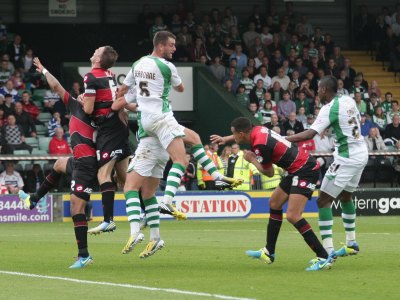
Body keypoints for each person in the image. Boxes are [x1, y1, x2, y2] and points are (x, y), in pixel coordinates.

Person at [118, 31, 242, 218]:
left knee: (194, 138)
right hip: (161, 117)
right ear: (160, 46)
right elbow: (181, 88)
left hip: (146, 121)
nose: (175, 49)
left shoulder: (138, 64)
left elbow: (122, 90)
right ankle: (167, 202)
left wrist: (124, 105)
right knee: (181, 160)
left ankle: (218, 178)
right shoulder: (166, 66)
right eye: (172, 45)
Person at [211, 117, 333, 271]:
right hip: (296, 168)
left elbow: (268, 173)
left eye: (234, 134)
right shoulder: (258, 130)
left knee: (293, 215)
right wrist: (225, 138)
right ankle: (269, 252)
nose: (233, 138)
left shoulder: (260, 145)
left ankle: (323, 257)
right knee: (274, 203)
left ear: (242, 134)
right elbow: (241, 134)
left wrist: (252, 160)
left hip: (305, 170)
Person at [20, 58, 98, 269]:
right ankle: (34, 199)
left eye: (86, 94)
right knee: (59, 163)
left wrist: (44, 69)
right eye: (81, 93)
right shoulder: (75, 106)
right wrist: (44, 70)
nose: (81, 95)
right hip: (78, 160)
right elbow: (56, 86)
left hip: (88, 164)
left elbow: (56, 86)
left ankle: (83, 255)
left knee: (76, 207)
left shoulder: (97, 115)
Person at [286, 75, 368, 257]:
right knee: (346, 196)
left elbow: (309, 134)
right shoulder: (347, 99)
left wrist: (284, 139)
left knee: (323, 200)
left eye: (318, 88)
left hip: (347, 157)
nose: (316, 91)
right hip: (361, 151)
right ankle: (351, 242)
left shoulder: (328, 108)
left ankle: (328, 252)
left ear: (324, 89)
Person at [82, 46, 133, 234]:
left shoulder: (91, 77)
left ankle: (108, 220)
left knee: (103, 175)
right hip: (119, 126)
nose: (94, 50)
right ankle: (145, 212)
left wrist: (81, 99)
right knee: (125, 178)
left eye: (97, 50)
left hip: (109, 129)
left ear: (97, 59)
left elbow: (88, 109)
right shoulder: (109, 74)